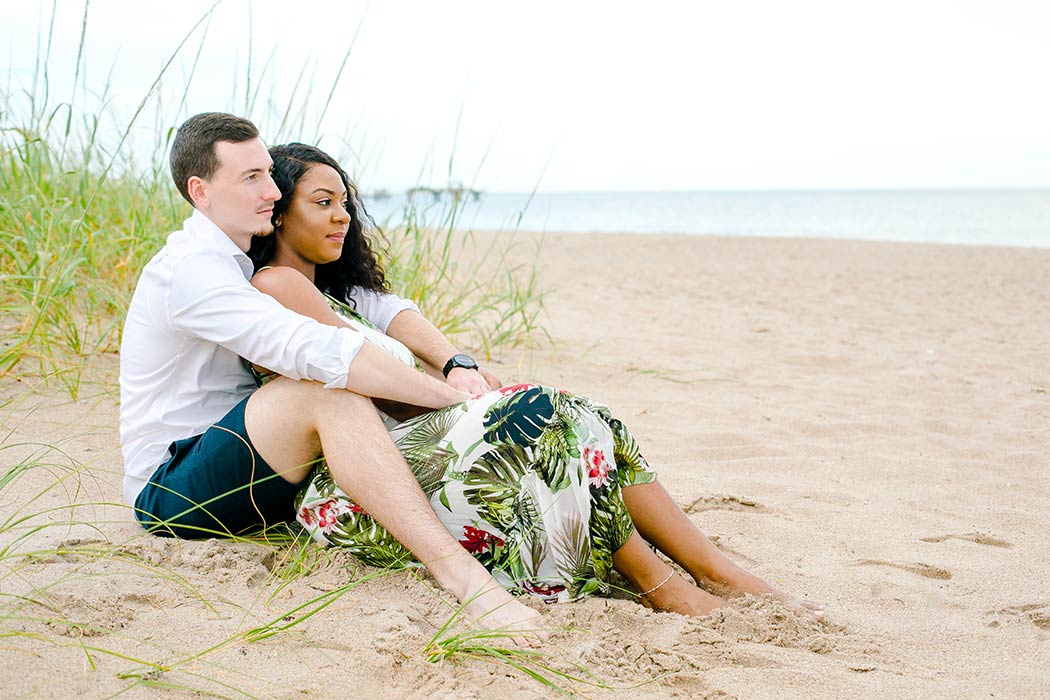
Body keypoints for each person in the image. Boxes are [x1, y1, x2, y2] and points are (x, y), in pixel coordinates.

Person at [245, 142, 825, 620]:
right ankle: (661, 585)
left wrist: (459, 373)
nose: (343, 215)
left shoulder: (342, 295)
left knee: (588, 415)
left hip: (414, 447)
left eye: (344, 202)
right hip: (362, 482)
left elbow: (397, 316)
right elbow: (373, 384)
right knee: (541, 414)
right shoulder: (278, 285)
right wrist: (467, 403)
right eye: (323, 203)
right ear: (277, 212)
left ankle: (711, 568)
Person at [119, 112, 545, 643]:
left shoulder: (241, 262)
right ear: (200, 191)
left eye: (268, 174)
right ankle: (465, 581)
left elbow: (372, 307)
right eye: (251, 177)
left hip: (255, 468)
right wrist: (452, 403)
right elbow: (316, 351)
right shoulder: (191, 270)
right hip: (175, 488)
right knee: (323, 393)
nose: (272, 190)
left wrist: (458, 370)